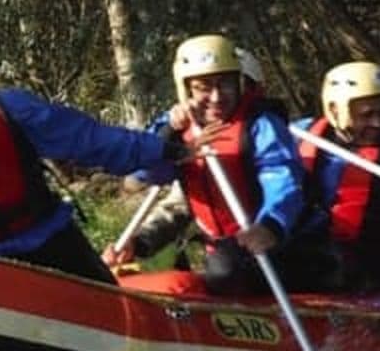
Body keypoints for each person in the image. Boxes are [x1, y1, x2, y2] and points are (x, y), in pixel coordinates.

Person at [0, 29, 210, 284]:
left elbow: (91, 140)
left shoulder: (7, 107)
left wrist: (163, 150)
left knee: (112, 313)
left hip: (49, 238)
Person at [111, 34, 312, 296]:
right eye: (204, 87)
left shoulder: (261, 126)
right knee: (216, 268)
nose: (217, 97)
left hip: (271, 246)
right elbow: (145, 178)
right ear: (186, 90)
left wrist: (270, 226)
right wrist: (138, 244)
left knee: (222, 270)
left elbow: (282, 179)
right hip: (222, 251)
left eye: (226, 84)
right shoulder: (175, 129)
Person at [293, 61, 380, 292]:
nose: (378, 123)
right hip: (310, 248)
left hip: (371, 257)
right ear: (334, 110)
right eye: (366, 115)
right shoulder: (299, 135)